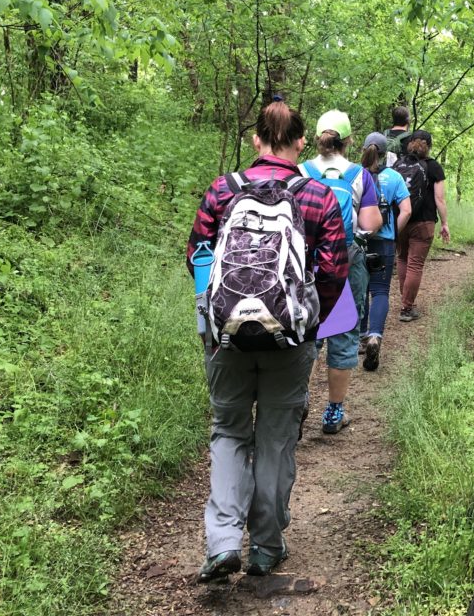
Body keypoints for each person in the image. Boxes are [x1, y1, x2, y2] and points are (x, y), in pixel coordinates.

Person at [187, 99, 348, 583]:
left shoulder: (222, 190)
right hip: (291, 341)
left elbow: (198, 256)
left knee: (229, 430)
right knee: (276, 438)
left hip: (226, 341)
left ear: (256, 140)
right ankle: (265, 547)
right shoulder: (318, 196)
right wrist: (304, 326)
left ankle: (220, 543)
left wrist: (214, 324)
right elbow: (335, 273)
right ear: (302, 143)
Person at [301, 110, 382, 434]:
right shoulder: (359, 175)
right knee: (344, 334)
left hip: (306, 265)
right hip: (345, 263)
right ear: (349, 141)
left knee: (304, 334)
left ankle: (298, 403)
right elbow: (369, 223)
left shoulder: (301, 171)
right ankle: (334, 413)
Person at [358, 132, 412, 370]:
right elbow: (407, 210)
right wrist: (393, 233)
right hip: (384, 243)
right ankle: (375, 336)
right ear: (384, 153)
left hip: (358, 241)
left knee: (360, 289)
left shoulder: (354, 175)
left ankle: (360, 337)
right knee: (380, 291)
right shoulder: (394, 177)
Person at [396, 129, 449, 322]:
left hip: (401, 219)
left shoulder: (399, 164)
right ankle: (406, 307)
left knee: (402, 259)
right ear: (429, 146)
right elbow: (440, 199)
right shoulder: (434, 167)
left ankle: (405, 300)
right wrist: (444, 223)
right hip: (423, 221)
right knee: (415, 264)